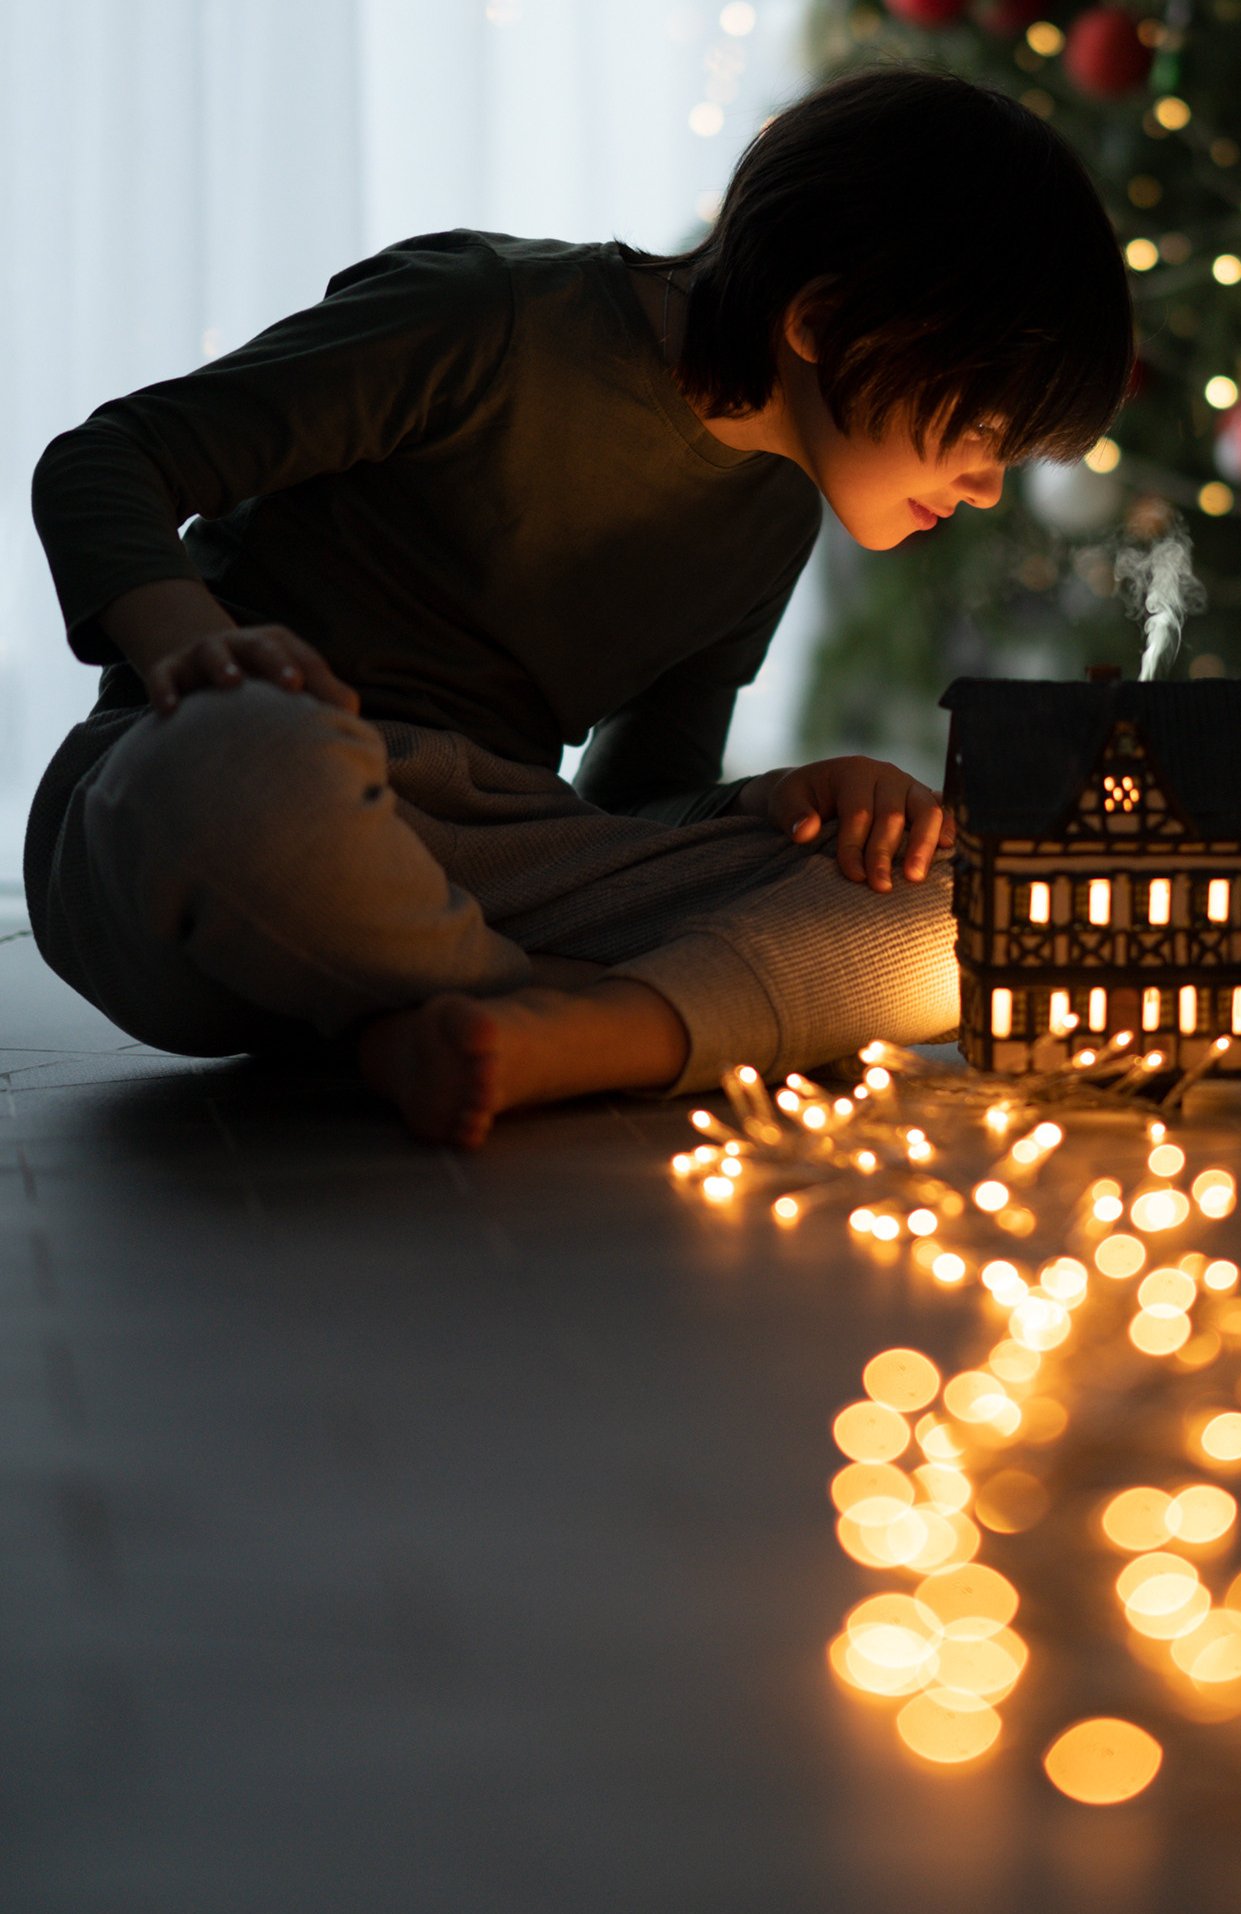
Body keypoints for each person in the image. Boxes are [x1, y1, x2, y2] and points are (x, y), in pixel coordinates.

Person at [25, 68, 1132, 1147]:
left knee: (969, 894)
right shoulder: (485, 317)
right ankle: (602, 1022)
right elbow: (104, 462)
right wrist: (192, 646)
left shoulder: (772, 516)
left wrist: (773, 804)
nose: (990, 485)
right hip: (209, 800)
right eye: (982, 430)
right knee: (244, 769)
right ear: (823, 321)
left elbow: (633, 806)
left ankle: (478, 1026)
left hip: (483, 847)